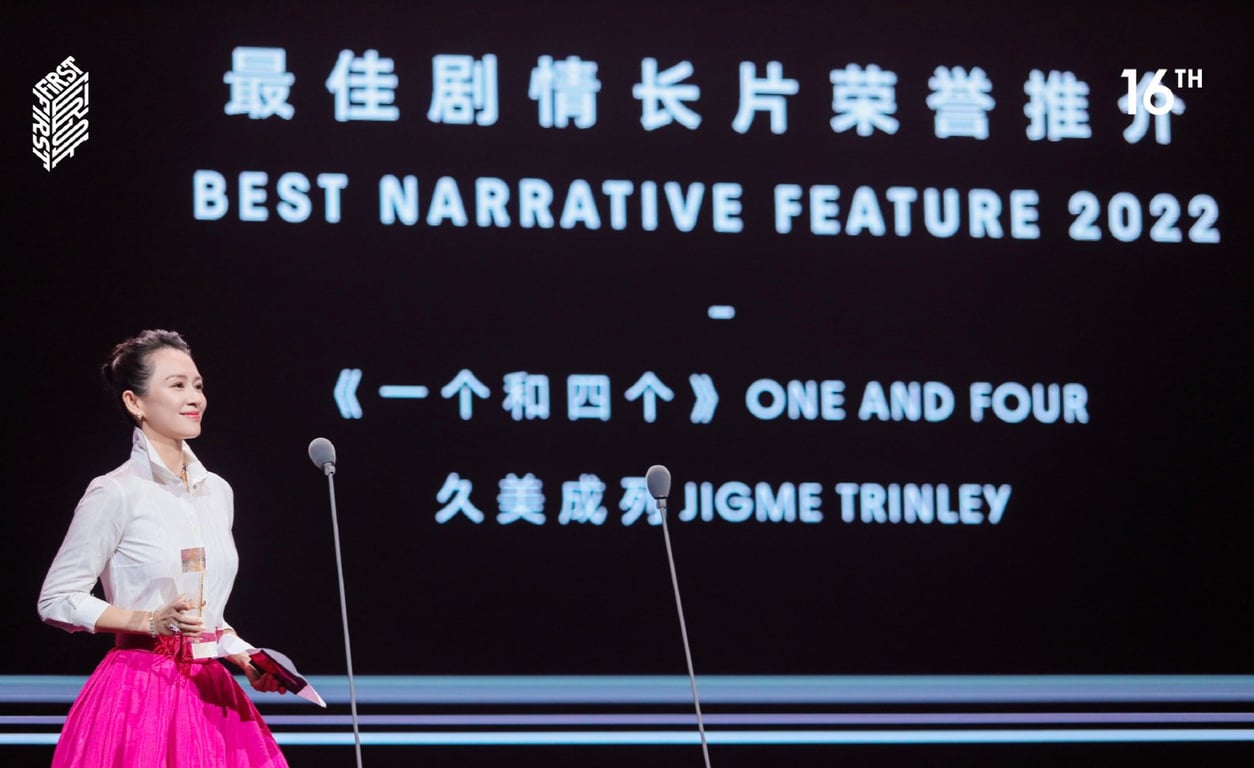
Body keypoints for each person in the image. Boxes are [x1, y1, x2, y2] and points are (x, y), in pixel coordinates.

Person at [38, 329, 289, 767]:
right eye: (177, 386)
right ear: (135, 403)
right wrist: (149, 620)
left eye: (198, 385)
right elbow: (57, 600)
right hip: (138, 695)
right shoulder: (115, 492)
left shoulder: (218, 492)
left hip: (211, 695)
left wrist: (243, 656)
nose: (195, 398)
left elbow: (205, 614)